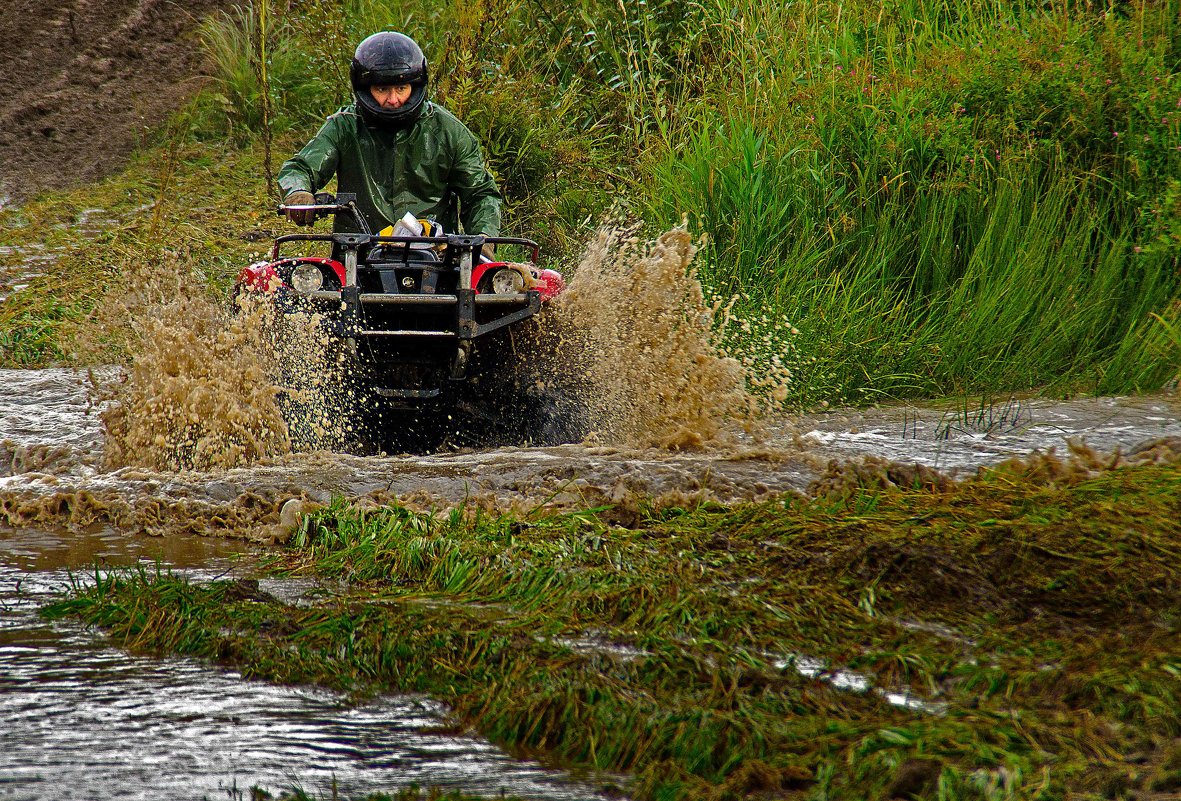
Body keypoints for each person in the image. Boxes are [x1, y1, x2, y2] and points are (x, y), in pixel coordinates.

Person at [277, 31, 501, 254]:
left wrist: (484, 239)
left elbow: (480, 193)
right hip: (357, 253)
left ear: (415, 85)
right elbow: (302, 167)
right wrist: (298, 191)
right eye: (382, 89)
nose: (393, 100)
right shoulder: (344, 126)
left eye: (401, 89)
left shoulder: (449, 131)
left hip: (438, 257)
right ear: (365, 88)